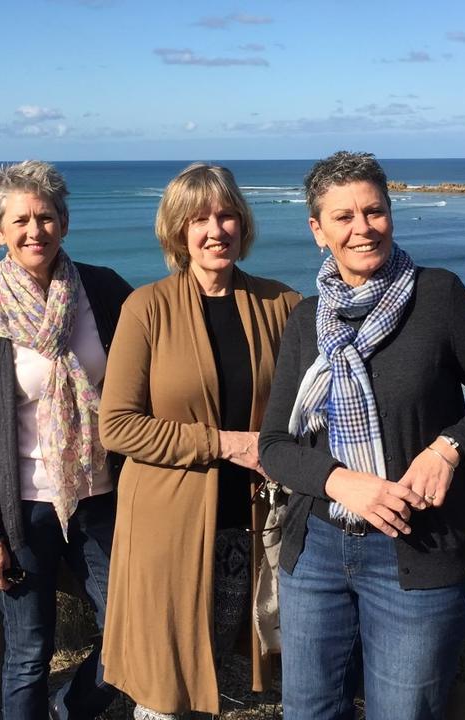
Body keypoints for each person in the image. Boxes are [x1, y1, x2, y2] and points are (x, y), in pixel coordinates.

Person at [258, 151, 465, 720]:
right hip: (314, 552)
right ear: (318, 231)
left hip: (418, 551)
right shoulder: (308, 320)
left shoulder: (438, 296)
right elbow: (274, 446)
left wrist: (449, 447)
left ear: (391, 213)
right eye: (343, 217)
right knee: (308, 712)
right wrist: (342, 484)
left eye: (374, 211)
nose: (363, 228)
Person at [98, 163, 300, 718]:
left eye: (227, 214)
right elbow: (116, 425)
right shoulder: (145, 308)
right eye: (200, 219)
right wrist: (225, 443)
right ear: (178, 232)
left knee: (219, 663)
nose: (216, 230)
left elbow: (318, 397)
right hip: (168, 528)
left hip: (251, 526)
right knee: (166, 688)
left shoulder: (281, 304)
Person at [0, 160, 132, 719]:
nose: (36, 230)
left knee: (126, 634)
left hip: (100, 495)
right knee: (29, 654)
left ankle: (69, 710)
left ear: (65, 222)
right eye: (22, 220)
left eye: (47, 216)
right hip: (25, 509)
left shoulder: (102, 292)